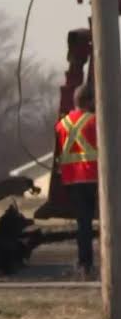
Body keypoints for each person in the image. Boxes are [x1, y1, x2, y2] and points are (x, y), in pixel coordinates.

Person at [55, 84, 97, 278]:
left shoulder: (61, 124)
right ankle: (93, 263)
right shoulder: (95, 121)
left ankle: (84, 263)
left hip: (72, 181)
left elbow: (59, 154)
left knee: (83, 224)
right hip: (94, 178)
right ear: (90, 101)